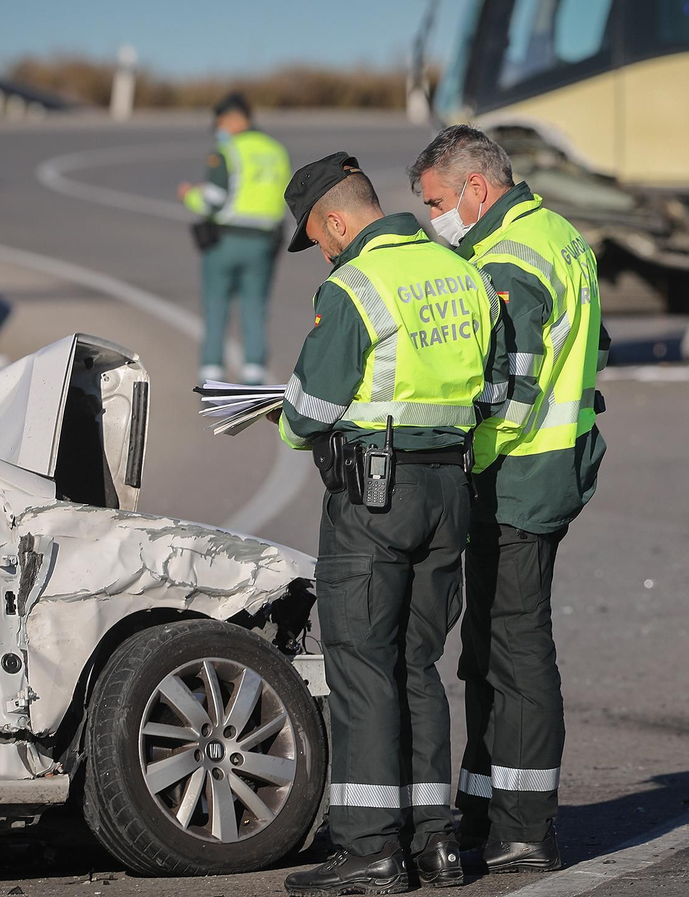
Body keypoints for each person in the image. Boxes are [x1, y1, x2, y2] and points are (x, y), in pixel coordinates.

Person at [274, 152, 508, 896]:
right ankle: (433, 843)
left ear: (336, 220)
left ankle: (370, 849)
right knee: (416, 666)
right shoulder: (463, 272)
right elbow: (496, 386)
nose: (324, 250)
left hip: (374, 497)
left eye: (318, 236)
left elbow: (303, 415)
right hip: (449, 490)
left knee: (361, 666)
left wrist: (291, 412)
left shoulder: (353, 286)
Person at [407, 124, 610, 873]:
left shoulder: (508, 258)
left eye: (437, 202)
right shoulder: (555, 233)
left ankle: (524, 827)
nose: (434, 218)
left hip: (518, 472)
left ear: (476, 189)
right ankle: (486, 805)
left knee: (515, 651)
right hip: (549, 462)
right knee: (491, 646)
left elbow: (509, 388)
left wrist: (441, 432)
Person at [177, 93, 291, 384]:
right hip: (265, 241)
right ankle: (254, 371)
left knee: (216, 304)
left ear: (230, 119)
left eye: (220, 123)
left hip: (226, 240)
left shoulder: (227, 151)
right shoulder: (276, 150)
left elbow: (212, 202)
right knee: (255, 306)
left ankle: (212, 371)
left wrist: (189, 195)